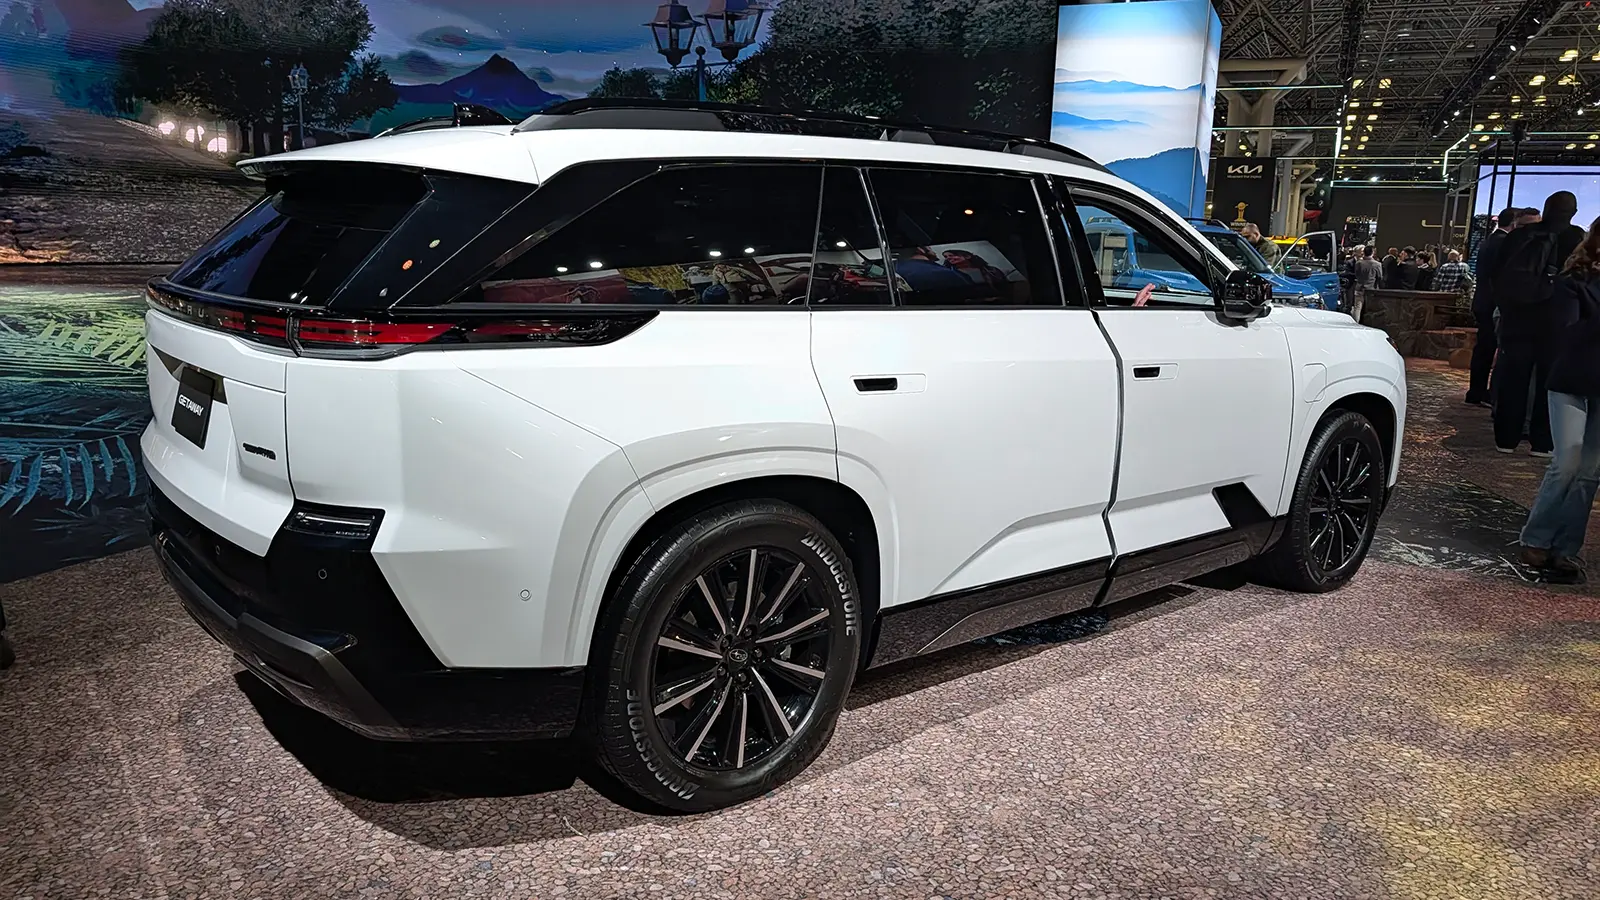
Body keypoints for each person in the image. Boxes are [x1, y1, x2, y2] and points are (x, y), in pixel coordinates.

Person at [1518, 216, 1600, 582]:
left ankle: (1566, 549)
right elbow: (1567, 334)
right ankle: (1536, 539)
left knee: (1590, 473)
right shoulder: (1573, 282)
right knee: (1567, 461)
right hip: (1571, 380)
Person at [1488, 191, 1588, 455]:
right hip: (1559, 321)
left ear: (1545, 208)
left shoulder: (1521, 236)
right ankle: (1542, 443)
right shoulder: (1578, 240)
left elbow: (1495, 274)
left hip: (1518, 318)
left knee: (1512, 378)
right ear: (1574, 213)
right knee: (1549, 384)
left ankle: (1505, 439)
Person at [1468, 208, 1523, 406]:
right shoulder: (1503, 243)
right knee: (1489, 349)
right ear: (1514, 222)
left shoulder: (1488, 241)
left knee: (1484, 347)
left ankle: (1476, 391)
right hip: (1493, 302)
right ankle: (1481, 392)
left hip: (1483, 301)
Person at [1351, 244, 1383, 322]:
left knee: (1357, 308)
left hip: (1359, 287)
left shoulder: (1359, 263)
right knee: (1369, 308)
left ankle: (1355, 324)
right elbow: (1380, 277)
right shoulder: (1377, 264)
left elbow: (1357, 274)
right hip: (1371, 289)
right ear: (1372, 253)